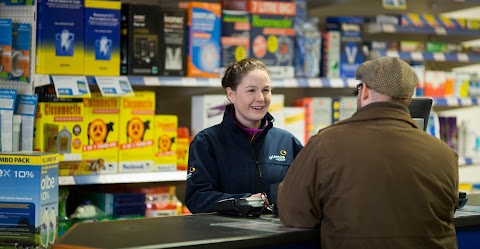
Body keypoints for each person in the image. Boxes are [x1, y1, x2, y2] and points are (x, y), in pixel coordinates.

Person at [278, 56, 459, 249]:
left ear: (364, 91)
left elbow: (295, 213)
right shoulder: (444, 155)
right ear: (409, 98)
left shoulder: (326, 145)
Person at [185, 58, 303, 213]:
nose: (260, 98)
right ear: (231, 94)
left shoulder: (288, 142)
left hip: (279, 235)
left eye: (265, 90)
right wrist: (242, 202)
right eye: (251, 90)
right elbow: (197, 198)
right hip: (228, 236)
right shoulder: (207, 142)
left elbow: (307, 190)